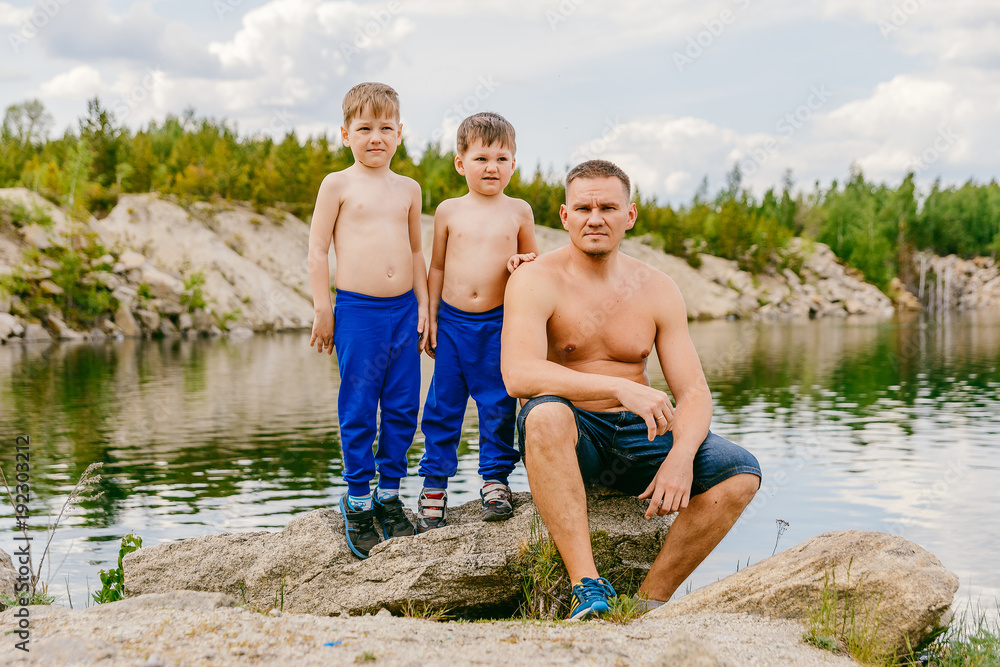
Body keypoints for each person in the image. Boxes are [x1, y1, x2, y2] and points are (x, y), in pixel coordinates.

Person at [500, 159, 761, 619]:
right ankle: (589, 588)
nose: (595, 218)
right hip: (574, 437)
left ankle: (648, 602)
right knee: (543, 415)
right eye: (583, 207)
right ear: (564, 216)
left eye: (608, 207)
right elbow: (518, 375)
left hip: (642, 435)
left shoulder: (658, 288)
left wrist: (681, 457)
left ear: (630, 215)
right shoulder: (535, 279)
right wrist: (619, 388)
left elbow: (695, 393)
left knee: (740, 472)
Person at [308, 82, 429, 559]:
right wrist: (323, 306)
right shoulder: (337, 184)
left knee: (402, 407)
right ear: (345, 134)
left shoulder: (410, 189)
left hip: (404, 311)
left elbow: (418, 250)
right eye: (364, 128)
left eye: (385, 128)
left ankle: (388, 494)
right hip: (358, 310)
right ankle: (357, 499)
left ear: (400, 133)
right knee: (359, 405)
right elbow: (318, 249)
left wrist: (424, 307)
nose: (375, 137)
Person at [415, 112, 539, 532]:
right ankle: (434, 486)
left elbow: (532, 265)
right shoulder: (448, 211)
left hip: (497, 325)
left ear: (513, 165)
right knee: (442, 404)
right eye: (482, 158)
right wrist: (429, 316)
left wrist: (523, 263)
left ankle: (495, 482)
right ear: (460, 163)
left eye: (502, 158)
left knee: (497, 403)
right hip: (450, 324)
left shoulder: (519, 211)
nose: (492, 167)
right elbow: (435, 269)